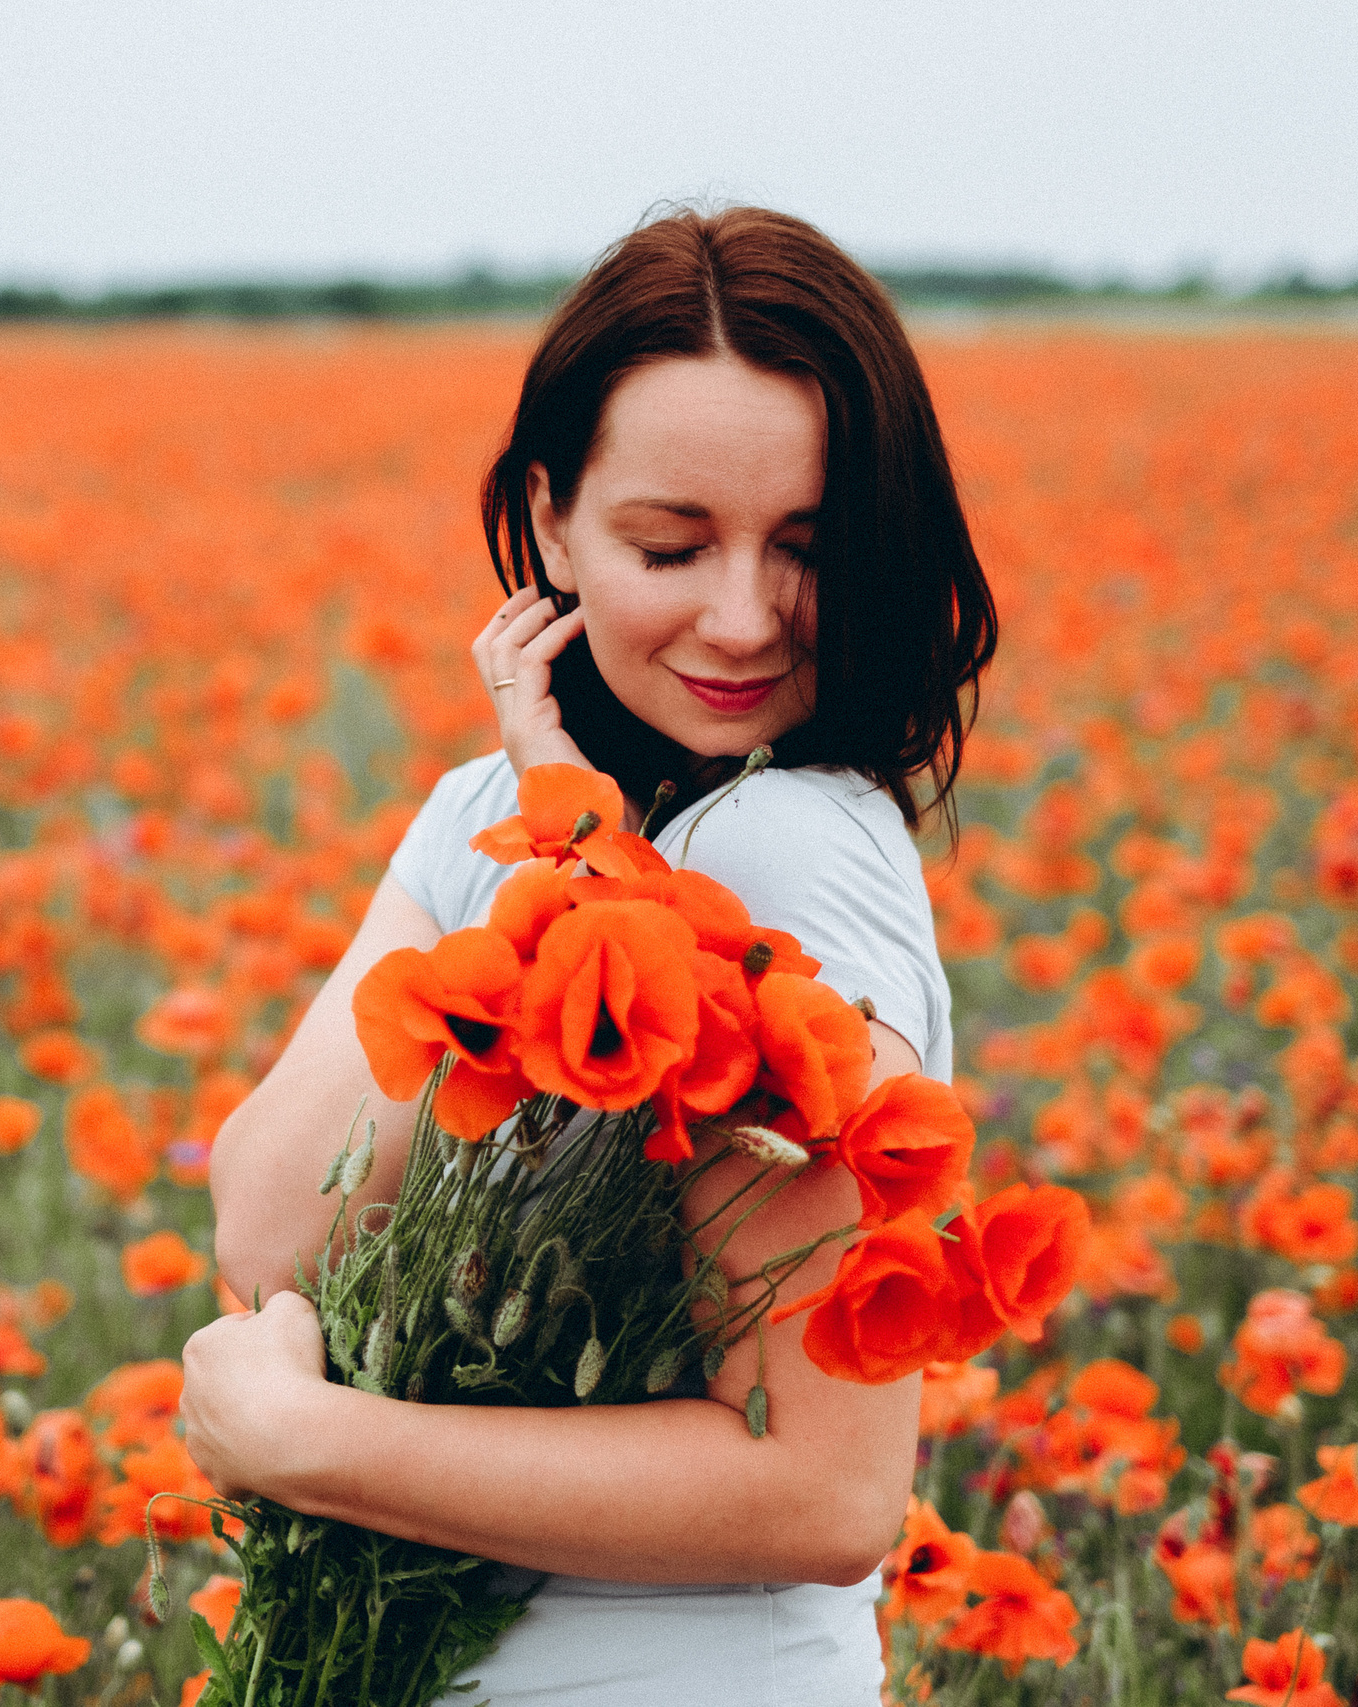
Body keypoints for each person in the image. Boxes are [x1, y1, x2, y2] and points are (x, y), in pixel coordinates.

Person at [181, 205, 997, 1705]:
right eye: (669, 545)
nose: (744, 619)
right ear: (552, 522)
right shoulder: (499, 809)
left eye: (809, 550)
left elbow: (822, 1493)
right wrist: (557, 850)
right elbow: (267, 1229)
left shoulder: (791, 847)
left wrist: (315, 1447)